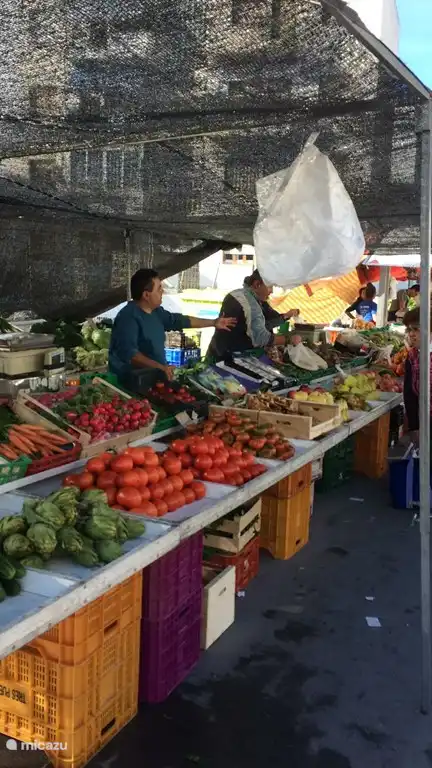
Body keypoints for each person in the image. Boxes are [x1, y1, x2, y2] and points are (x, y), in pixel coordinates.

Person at [109, 268, 236, 384]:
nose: (162, 292)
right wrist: (161, 368)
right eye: (159, 288)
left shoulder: (156, 312)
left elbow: (180, 320)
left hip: (154, 377)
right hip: (132, 382)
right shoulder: (128, 318)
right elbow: (132, 356)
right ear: (146, 295)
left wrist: (214, 323)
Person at [207, 269, 299, 361]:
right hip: (227, 358)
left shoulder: (241, 294)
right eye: (269, 287)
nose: (271, 291)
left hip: (220, 352)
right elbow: (261, 338)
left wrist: (285, 317)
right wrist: (289, 340)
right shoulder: (249, 303)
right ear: (257, 284)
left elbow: (262, 325)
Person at [403, 305, 432, 445]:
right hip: (425, 421)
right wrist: (414, 427)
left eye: (416, 329)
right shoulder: (412, 355)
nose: (411, 334)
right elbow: (409, 394)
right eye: (409, 330)